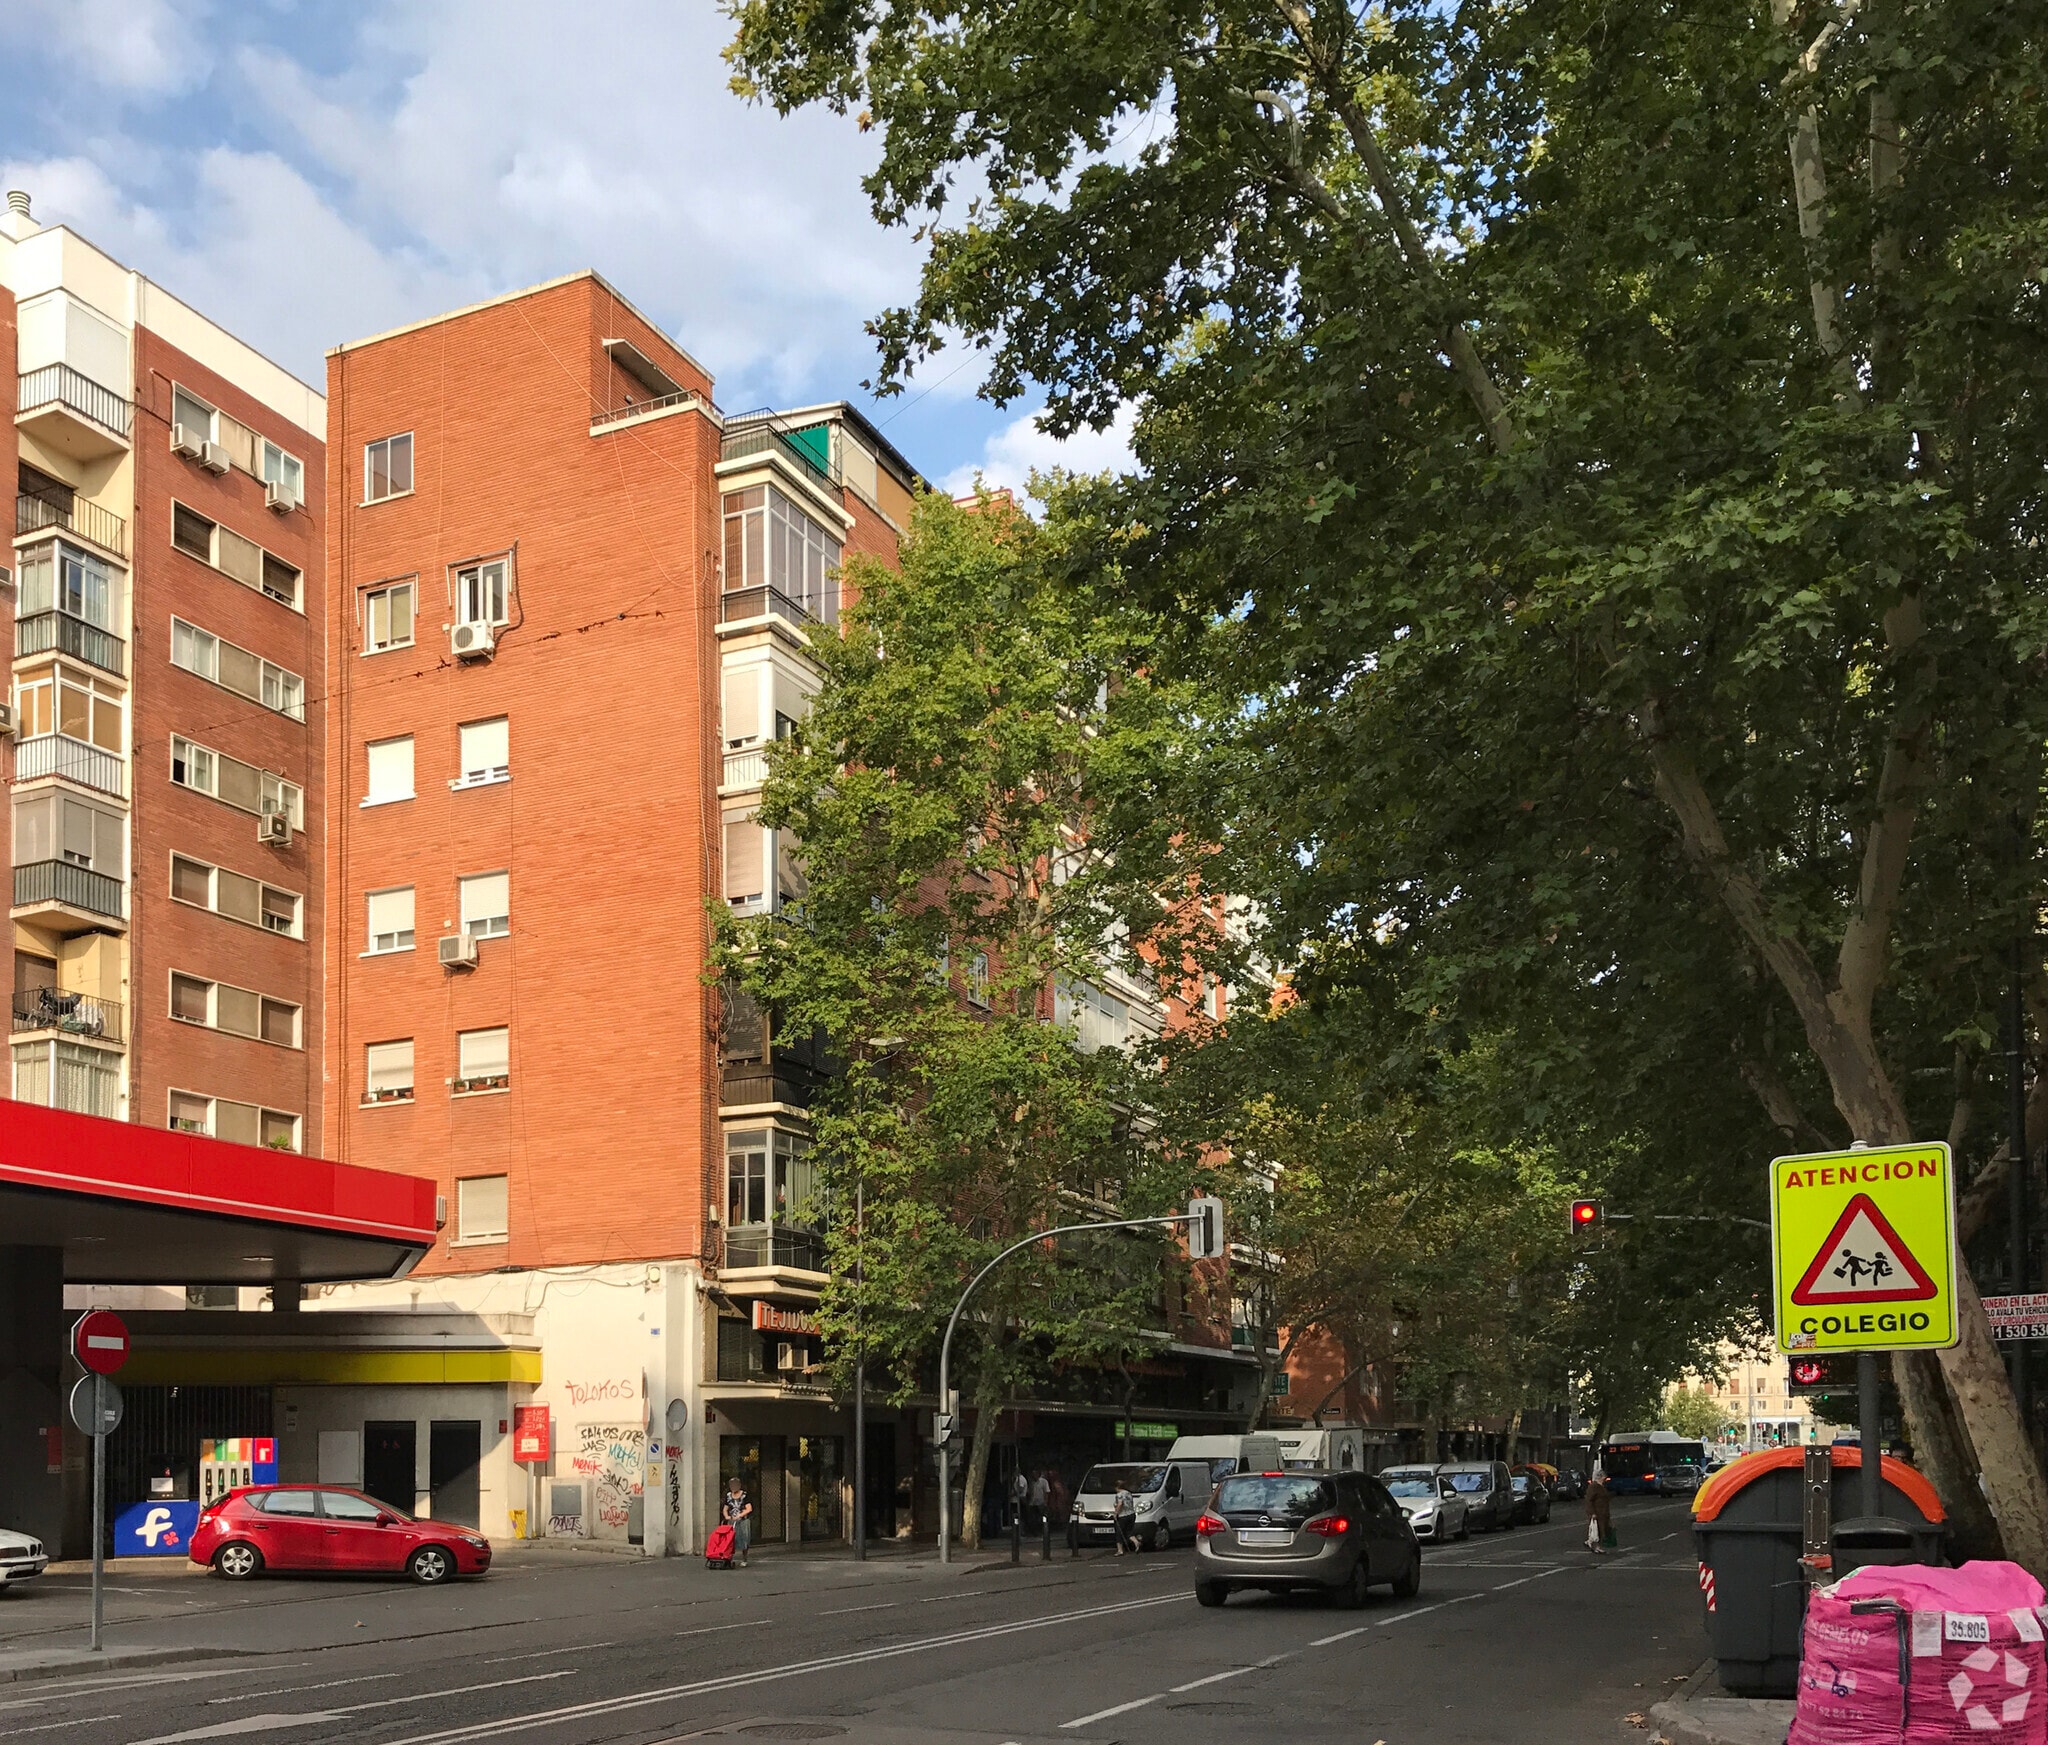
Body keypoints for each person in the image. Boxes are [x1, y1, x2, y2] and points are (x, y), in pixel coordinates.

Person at [724, 1475, 754, 1569]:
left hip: (743, 1521)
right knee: (731, 1540)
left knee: (744, 1540)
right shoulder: (728, 1496)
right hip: (732, 1521)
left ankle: (744, 1559)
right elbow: (725, 1508)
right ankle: (729, 1558)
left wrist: (740, 1515)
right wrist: (727, 1516)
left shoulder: (745, 1495)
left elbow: (749, 1508)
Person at [1585, 1467, 1613, 1556]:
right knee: (1597, 1530)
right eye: (1603, 1477)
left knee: (1603, 1529)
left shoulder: (1601, 1486)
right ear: (1600, 1477)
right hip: (1597, 1512)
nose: (1604, 1479)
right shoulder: (1594, 1486)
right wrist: (1592, 1513)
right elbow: (1589, 1500)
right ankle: (1594, 1546)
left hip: (1603, 1512)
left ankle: (1597, 1546)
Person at [1112, 1476, 1137, 1555]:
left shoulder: (1119, 1494)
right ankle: (1136, 1542)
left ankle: (1120, 1550)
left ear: (1117, 1487)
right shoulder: (1128, 1493)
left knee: (1119, 1533)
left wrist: (1116, 1513)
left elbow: (1120, 1504)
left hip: (1123, 1516)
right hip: (1131, 1514)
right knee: (1129, 1531)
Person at [1029, 1467, 1050, 1533]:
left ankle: (1042, 1531)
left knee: (1041, 1518)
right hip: (1033, 1503)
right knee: (1033, 1518)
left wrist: (1045, 1502)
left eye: (1035, 1474)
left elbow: (1047, 1492)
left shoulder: (1043, 1481)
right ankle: (1034, 1531)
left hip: (1041, 1503)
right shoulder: (1032, 1482)